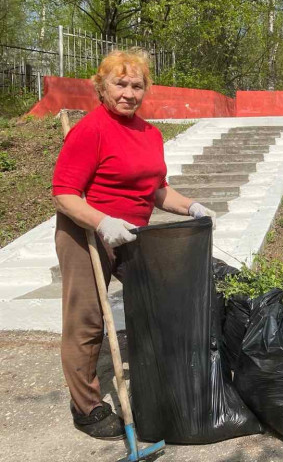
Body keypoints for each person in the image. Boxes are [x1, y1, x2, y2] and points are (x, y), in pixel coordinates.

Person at [52, 49, 216, 439]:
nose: (128, 92)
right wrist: (102, 221)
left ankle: (163, 380)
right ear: (102, 87)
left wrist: (190, 206)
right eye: (119, 84)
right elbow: (64, 193)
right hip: (86, 234)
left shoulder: (150, 133)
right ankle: (87, 406)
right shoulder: (91, 129)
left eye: (136, 85)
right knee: (87, 321)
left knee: (161, 301)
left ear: (146, 90)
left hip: (131, 234)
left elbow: (156, 190)